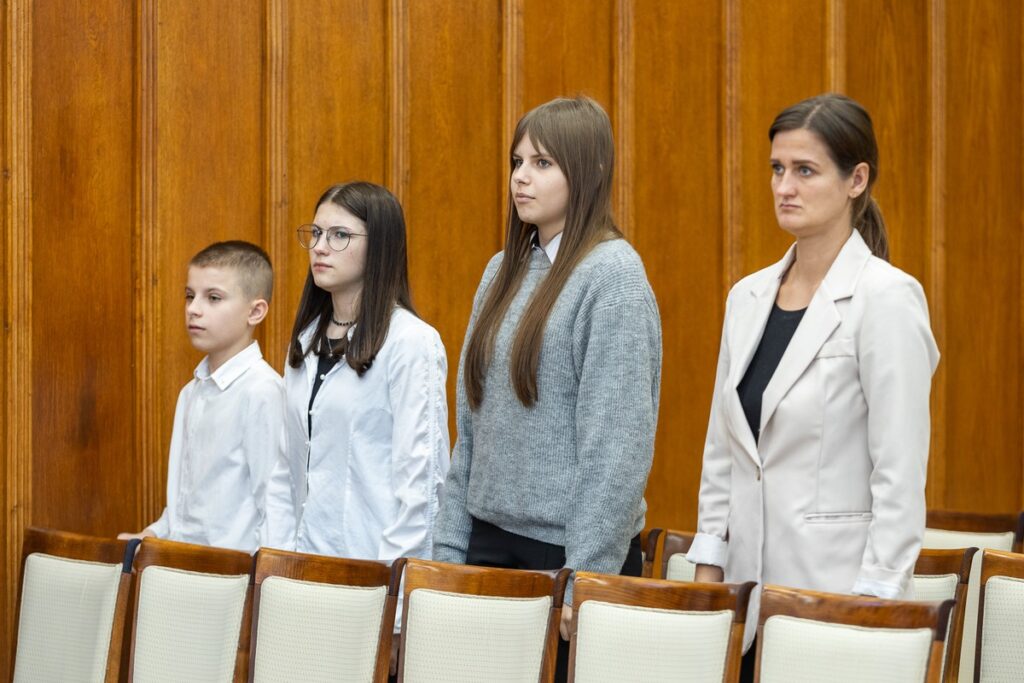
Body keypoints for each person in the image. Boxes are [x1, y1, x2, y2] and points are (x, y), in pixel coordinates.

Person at [686, 93, 940, 680]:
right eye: (778, 169)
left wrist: (873, 602)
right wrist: (709, 569)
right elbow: (724, 451)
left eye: (805, 171)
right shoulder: (746, 297)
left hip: (838, 601)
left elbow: (899, 474)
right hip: (747, 605)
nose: (785, 187)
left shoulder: (887, 297)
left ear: (857, 180)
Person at [433, 96, 662, 682]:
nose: (521, 178)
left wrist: (583, 579)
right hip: (488, 546)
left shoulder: (614, 276)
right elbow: (471, 432)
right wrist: (447, 558)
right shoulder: (500, 270)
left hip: (565, 558)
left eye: (542, 163)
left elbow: (617, 451)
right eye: (517, 162)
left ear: (587, 171)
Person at [267, 181, 450, 568]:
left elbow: (421, 484)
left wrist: (393, 596)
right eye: (316, 233)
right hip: (299, 572)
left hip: (372, 575)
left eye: (340, 236)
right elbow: (286, 473)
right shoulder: (304, 342)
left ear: (379, 246)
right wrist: (275, 568)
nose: (319, 247)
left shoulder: (411, 342)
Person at [119, 241, 285, 553]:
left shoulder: (262, 391)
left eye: (213, 298)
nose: (194, 308)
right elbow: (185, 503)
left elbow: (275, 506)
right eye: (189, 296)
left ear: (255, 311)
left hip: (232, 579)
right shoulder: (191, 393)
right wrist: (151, 534)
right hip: (183, 571)